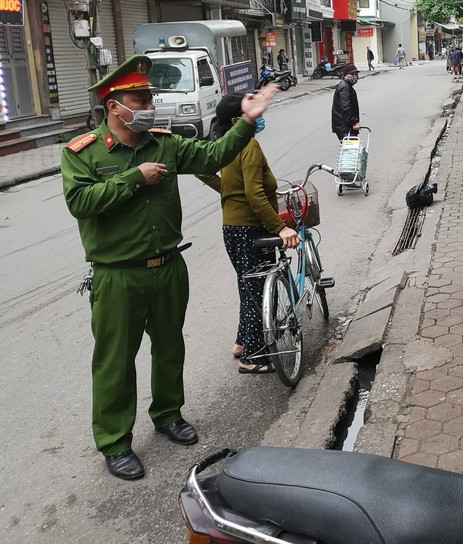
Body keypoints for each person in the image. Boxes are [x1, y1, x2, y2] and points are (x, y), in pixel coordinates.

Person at [61, 56, 275, 481]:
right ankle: (115, 441)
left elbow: (214, 153)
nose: (148, 105)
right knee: (115, 361)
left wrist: (246, 122)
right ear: (113, 105)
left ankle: (168, 414)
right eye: (139, 98)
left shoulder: (165, 143)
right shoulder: (82, 153)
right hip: (117, 273)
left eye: (149, 97)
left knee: (169, 347)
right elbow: (80, 203)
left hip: (168, 265)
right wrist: (135, 178)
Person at [196, 94, 300, 375]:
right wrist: (280, 227)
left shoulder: (228, 144)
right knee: (257, 289)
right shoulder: (248, 144)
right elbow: (254, 194)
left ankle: (243, 342)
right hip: (250, 228)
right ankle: (252, 356)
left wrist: (230, 194)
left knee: (248, 285)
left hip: (233, 229)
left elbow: (202, 170)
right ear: (236, 120)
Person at [331, 62, 361, 141]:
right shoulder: (345, 88)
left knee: (351, 150)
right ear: (346, 75)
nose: (355, 76)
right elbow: (345, 107)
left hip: (344, 126)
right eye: (352, 74)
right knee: (351, 150)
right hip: (344, 126)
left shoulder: (347, 86)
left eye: (356, 74)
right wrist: (354, 122)